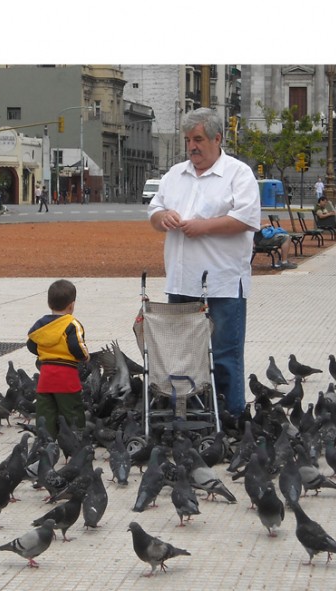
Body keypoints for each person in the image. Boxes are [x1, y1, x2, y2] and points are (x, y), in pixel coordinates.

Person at [147, 107, 262, 418]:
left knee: (224, 355)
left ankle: (233, 418)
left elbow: (247, 218)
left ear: (217, 138)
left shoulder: (238, 174)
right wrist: (163, 217)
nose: (192, 147)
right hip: (181, 282)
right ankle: (188, 417)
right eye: (188, 140)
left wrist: (203, 226)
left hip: (223, 284)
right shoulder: (175, 175)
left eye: (198, 139)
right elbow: (153, 211)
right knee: (182, 357)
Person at [26, 279, 90, 437]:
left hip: (46, 374)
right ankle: (75, 438)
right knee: (72, 411)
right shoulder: (71, 324)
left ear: (49, 304)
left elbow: (31, 345)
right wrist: (85, 357)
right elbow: (77, 347)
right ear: (71, 305)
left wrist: (45, 353)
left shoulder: (40, 325)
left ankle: (45, 440)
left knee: (46, 411)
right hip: (66, 375)